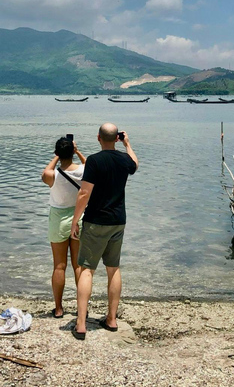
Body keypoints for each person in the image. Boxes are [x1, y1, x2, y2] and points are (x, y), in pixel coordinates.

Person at [69, 123, 138, 340]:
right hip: (118, 221)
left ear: (98, 137)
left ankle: (81, 324)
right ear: (116, 138)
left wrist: (74, 221)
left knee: (87, 269)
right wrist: (127, 144)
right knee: (113, 268)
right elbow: (135, 163)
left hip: (96, 220)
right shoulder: (125, 160)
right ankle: (112, 319)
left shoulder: (94, 161)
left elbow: (84, 194)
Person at [41, 137, 87, 318]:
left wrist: (56, 157)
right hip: (79, 218)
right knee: (78, 266)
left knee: (59, 266)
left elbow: (46, 171)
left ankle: (59, 309)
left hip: (58, 220)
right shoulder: (84, 171)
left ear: (58, 153)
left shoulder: (53, 175)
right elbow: (90, 164)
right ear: (72, 151)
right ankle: (81, 308)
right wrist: (77, 152)